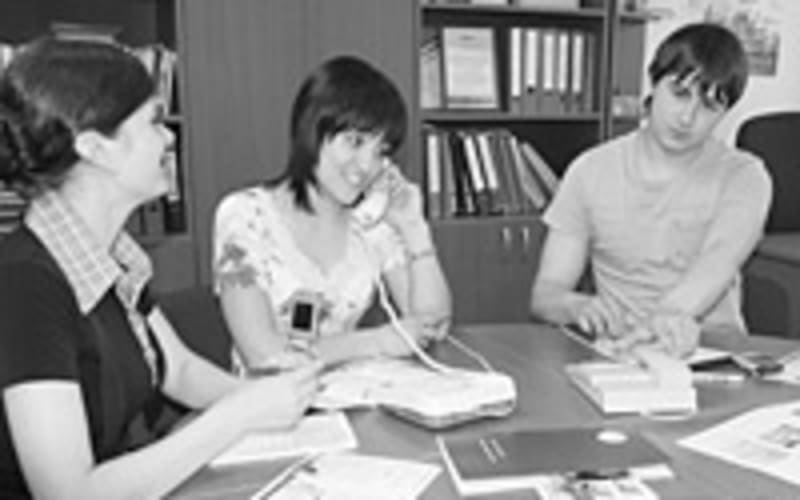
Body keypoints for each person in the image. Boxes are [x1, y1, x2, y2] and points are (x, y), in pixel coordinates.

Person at [0, 37, 320, 499]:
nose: (169, 137)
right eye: (153, 121)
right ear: (96, 148)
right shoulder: (25, 285)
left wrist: (264, 395)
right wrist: (239, 416)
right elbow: (68, 493)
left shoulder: (111, 254)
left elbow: (179, 370)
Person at [530, 23, 772, 358]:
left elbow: (720, 259)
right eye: (679, 93)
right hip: (619, 352)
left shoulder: (745, 176)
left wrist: (669, 316)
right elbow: (546, 295)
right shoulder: (590, 169)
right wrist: (575, 306)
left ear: (725, 113)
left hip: (711, 351)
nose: (687, 117)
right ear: (654, 83)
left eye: (708, 106)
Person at [213, 55, 452, 372]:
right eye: (355, 141)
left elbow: (432, 327)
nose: (366, 165)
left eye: (381, 151)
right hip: (272, 399)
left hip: (353, 395)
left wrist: (414, 229)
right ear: (311, 130)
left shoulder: (370, 223)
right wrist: (376, 342)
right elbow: (263, 354)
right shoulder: (245, 215)